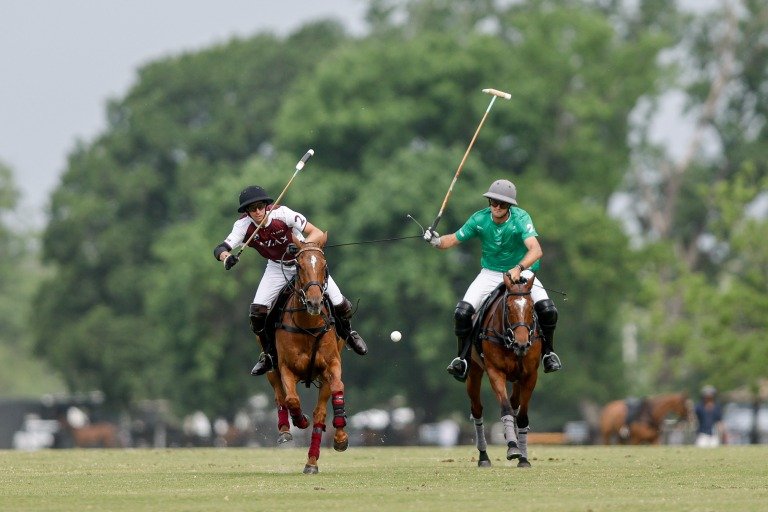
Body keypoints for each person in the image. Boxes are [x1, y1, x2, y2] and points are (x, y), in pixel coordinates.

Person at [213, 185, 368, 376]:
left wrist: (303, 246)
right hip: (276, 267)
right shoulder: (243, 226)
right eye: (252, 209)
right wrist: (227, 258)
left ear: (266, 205)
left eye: (261, 206)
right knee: (257, 313)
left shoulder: (283, 214)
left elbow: (316, 232)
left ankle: (349, 334)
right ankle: (269, 354)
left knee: (341, 304)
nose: (258, 211)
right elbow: (220, 248)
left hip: (303, 262)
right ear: (247, 212)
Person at [423, 179, 562, 381]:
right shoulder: (479, 219)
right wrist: (436, 240)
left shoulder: (521, 218)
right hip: (490, 273)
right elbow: (451, 240)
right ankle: (462, 360)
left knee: (548, 309)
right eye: (493, 202)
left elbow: (536, 249)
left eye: (503, 204)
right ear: (489, 202)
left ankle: (548, 353)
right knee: (462, 312)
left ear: (510, 206)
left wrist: (519, 268)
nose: (497, 207)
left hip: (522, 272)